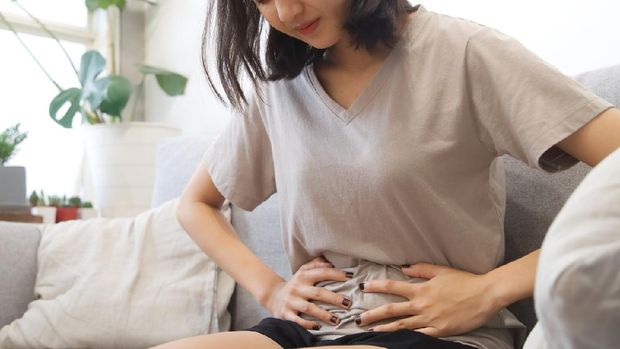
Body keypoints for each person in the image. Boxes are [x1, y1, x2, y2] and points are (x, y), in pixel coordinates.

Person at [153, 1, 620, 349]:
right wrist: (271, 289)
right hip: (313, 326)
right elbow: (197, 205)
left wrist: (490, 289)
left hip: (436, 331)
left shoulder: (464, 52)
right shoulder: (278, 90)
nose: (286, 10)